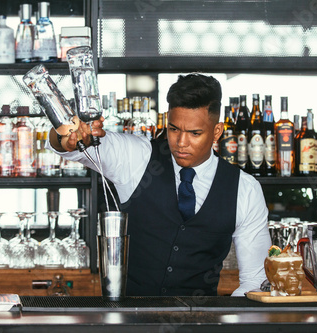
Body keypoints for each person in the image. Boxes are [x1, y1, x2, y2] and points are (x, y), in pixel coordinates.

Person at [47, 73, 271, 296]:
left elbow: (255, 280)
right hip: (129, 322)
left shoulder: (244, 189)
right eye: (174, 129)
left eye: (195, 133)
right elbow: (74, 146)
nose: (181, 143)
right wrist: (68, 139)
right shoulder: (138, 158)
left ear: (216, 132)